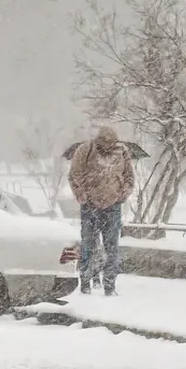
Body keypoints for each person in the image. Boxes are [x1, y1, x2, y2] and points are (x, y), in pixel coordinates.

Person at [69, 127, 134, 296]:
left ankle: (110, 285)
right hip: (90, 206)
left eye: (111, 145)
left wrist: (123, 194)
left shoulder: (122, 152)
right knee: (88, 245)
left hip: (113, 206)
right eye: (105, 145)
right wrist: (83, 195)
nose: (108, 148)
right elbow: (75, 175)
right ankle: (85, 282)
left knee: (112, 247)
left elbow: (129, 176)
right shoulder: (84, 150)